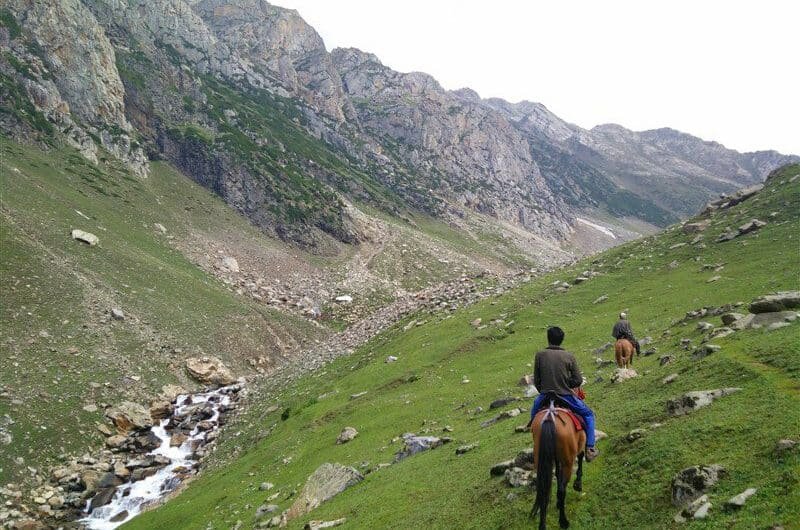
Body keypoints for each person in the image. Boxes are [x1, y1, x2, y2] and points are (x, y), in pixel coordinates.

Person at [529, 326, 599, 461]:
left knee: (533, 415)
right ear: (562, 340)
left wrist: (543, 389)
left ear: (548, 339)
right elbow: (578, 379)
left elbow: (536, 380)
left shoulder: (540, 355)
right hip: (566, 395)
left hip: (545, 394)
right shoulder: (569, 356)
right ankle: (590, 448)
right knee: (589, 415)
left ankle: (535, 439)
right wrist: (567, 384)